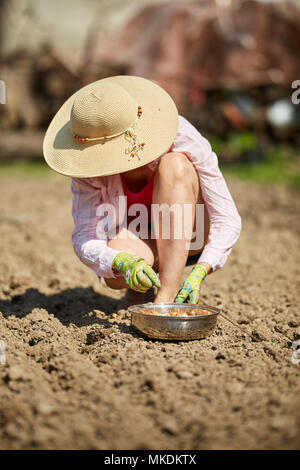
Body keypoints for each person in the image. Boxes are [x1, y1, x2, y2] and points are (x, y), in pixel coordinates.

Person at [43, 75, 241, 306]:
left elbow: (227, 217)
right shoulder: (87, 170)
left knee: (174, 164)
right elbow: (85, 236)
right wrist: (121, 261)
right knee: (115, 257)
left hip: (192, 236)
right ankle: (143, 287)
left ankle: (168, 290)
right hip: (139, 240)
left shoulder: (181, 137)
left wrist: (202, 268)